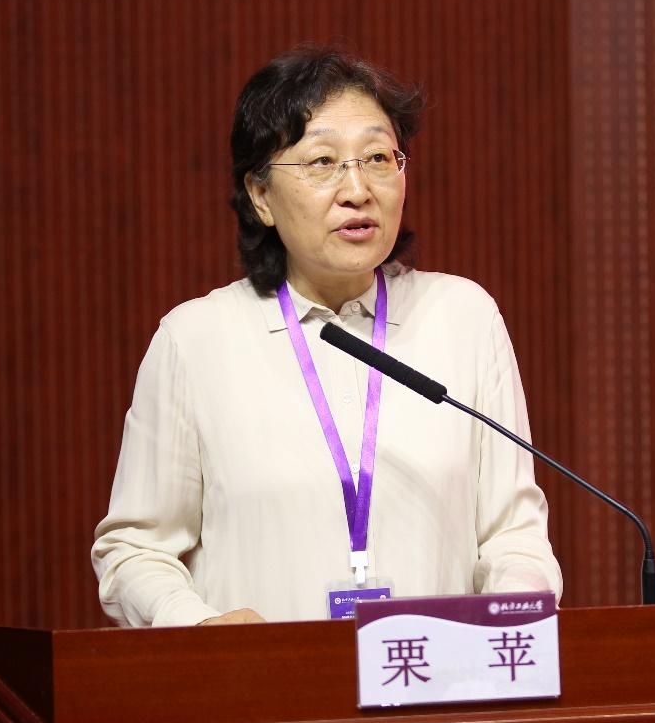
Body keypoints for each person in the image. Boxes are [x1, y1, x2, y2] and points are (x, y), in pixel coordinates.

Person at [92, 47, 562, 626]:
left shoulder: (463, 318)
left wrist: (511, 615)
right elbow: (135, 550)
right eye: (322, 162)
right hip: (265, 681)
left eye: (378, 158)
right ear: (260, 195)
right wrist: (199, 628)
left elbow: (514, 535)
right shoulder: (196, 341)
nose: (357, 189)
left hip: (428, 677)